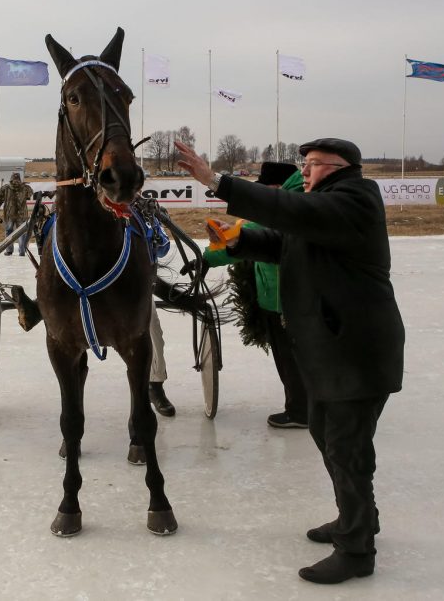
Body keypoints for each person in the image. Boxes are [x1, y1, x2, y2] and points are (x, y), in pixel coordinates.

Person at [176, 138, 405, 584]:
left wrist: (216, 181)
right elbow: (285, 242)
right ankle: (359, 519)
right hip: (331, 350)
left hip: (356, 351)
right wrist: (240, 239)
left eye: (314, 164)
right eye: (306, 162)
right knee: (327, 433)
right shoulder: (323, 206)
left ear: (341, 167)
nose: (307, 170)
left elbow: (293, 215)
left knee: (347, 447)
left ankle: (357, 550)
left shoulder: (355, 200)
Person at [201, 162, 309, 429]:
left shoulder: (289, 207)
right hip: (275, 296)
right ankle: (302, 407)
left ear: (277, 188)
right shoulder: (285, 204)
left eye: (266, 189)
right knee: (288, 358)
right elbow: (245, 229)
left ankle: (300, 412)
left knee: (292, 359)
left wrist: (207, 258)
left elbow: (252, 233)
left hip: (287, 300)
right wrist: (209, 256)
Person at [0, 173, 32, 255]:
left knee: (9, 231)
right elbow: (30, 195)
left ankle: (9, 250)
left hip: (9, 213)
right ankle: (22, 251)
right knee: (21, 232)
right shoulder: (25, 188)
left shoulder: (5, 188)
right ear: (19, 179)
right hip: (22, 214)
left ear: (11, 179)